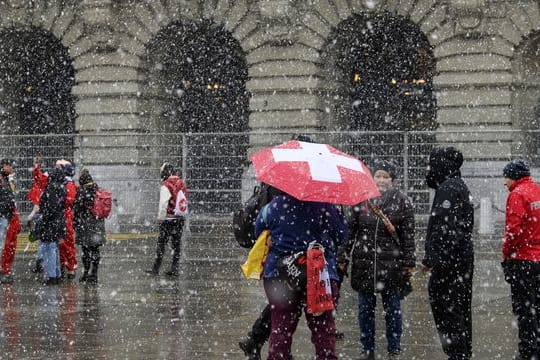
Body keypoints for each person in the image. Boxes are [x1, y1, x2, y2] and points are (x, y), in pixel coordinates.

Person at [254, 192, 348, 360]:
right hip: (318, 273)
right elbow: (341, 235)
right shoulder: (326, 206)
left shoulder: (272, 207)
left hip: (281, 275)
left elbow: (257, 231)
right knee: (323, 333)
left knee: (281, 331)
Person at [338, 159, 415, 360]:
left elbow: (408, 235)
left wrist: (409, 261)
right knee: (365, 311)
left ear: (392, 180)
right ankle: (367, 348)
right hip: (364, 264)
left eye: (385, 176)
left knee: (393, 310)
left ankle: (394, 347)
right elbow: (350, 232)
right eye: (378, 175)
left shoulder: (402, 201)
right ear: (372, 177)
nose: (381, 179)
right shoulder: (361, 199)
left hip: (392, 265)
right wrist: (342, 256)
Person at [420, 146, 474, 360]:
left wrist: (431, 260)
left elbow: (443, 228)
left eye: (432, 164)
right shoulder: (457, 185)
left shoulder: (449, 189)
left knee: (447, 310)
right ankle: (462, 352)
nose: (429, 169)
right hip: (460, 260)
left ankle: (457, 353)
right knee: (459, 308)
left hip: (450, 263)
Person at [501, 159, 540, 360]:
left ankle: (528, 350)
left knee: (525, 309)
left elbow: (513, 231)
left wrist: (506, 252)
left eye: (506, 177)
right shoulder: (536, 190)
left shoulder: (517, 194)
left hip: (523, 259)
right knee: (537, 307)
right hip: (538, 258)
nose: (504, 182)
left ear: (514, 176)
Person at [32, 158, 78, 278]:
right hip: (59, 215)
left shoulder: (67, 184)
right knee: (58, 243)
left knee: (65, 243)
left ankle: (69, 267)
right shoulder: (59, 182)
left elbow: (69, 200)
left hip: (62, 216)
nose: (55, 169)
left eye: (58, 167)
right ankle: (62, 266)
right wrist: (37, 169)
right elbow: (40, 180)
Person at [146, 162, 188, 276]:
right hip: (179, 218)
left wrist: (161, 218)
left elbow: (163, 203)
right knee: (176, 244)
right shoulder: (181, 183)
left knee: (161, 244)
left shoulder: (166, 185)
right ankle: (174, 268)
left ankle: (156, 268)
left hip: (168, 219)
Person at [73, 169, 106, 284]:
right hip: (98, 224)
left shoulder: (81, 191)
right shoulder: (98, 190)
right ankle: (94, 274)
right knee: (95, 249)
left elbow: (76, 209)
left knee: (86, 250)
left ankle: (86, 273)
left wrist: (75, 223)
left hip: (85, 224)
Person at [38, 167, 67, 285]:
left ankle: (51, 276)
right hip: (59, 220)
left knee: (49, 248)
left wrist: (44, 217)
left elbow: (51, 208)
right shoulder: (62, 189)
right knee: (54, 248)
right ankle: (57, 274)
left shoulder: (51, 189)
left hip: (50, 222)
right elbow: (59, 206)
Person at [0, 159, 17, 284]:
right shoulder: (2, 179)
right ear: (4, 166)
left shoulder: (6, 179)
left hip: (5, 215)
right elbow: (7, 198)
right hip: (3, 216)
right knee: (2, 245)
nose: (12, 168)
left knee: (4, 245)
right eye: (10, 166)